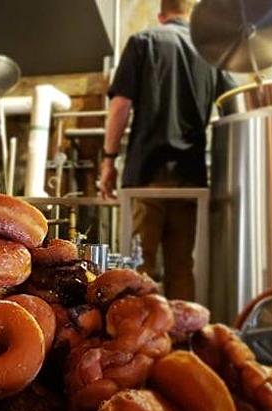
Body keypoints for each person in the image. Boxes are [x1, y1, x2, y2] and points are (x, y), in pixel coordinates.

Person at [98, 0, 235, 301]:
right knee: (182, 268)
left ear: (161, 15)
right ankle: (182, 341)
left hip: (147, 177)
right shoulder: (211, 52)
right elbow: (233, 108)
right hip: (191, 179)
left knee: (138, 267)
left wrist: (109, 160)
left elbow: (120, 106)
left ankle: (143, 343)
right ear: (191, 14)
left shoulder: (144, 41)